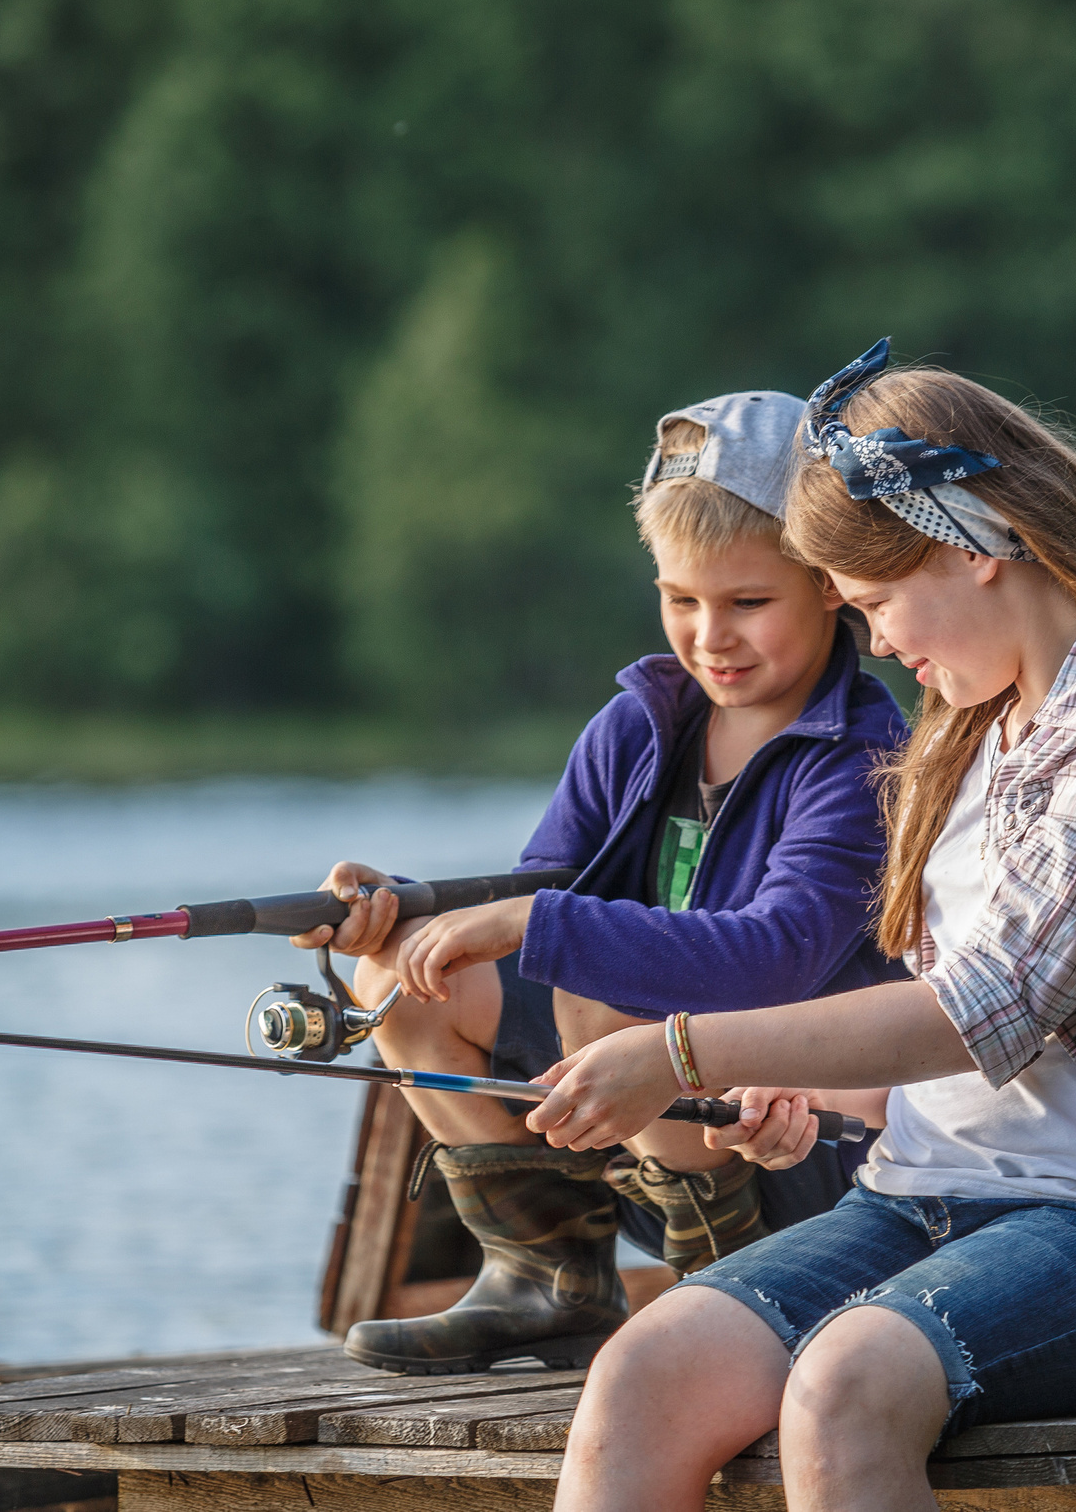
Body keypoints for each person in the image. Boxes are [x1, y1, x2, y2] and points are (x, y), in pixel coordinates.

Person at [521, 341, 1076, 1512]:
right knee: (641, 1376)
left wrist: (679, 1053)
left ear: (967, 547)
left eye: (869, 603)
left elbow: (992, 1009)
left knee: (844, 1384)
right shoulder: (957, 731)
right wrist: (821, 1100)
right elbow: (964, 1062)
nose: (870, 643)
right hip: (911, 1200)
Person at [296, 389, 906, 1374]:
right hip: (639, 1120)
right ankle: (551, 1282)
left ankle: (733, 1284)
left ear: (830, 585)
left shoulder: (860, 759)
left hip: (801, 1147)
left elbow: (777, 951)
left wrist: (541, 923)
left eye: (747, 602)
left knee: (593, 970)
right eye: (681, 600)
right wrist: (401, 911)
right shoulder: (636, 724)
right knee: (411, 985)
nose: (710, 636)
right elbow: (538, 886)